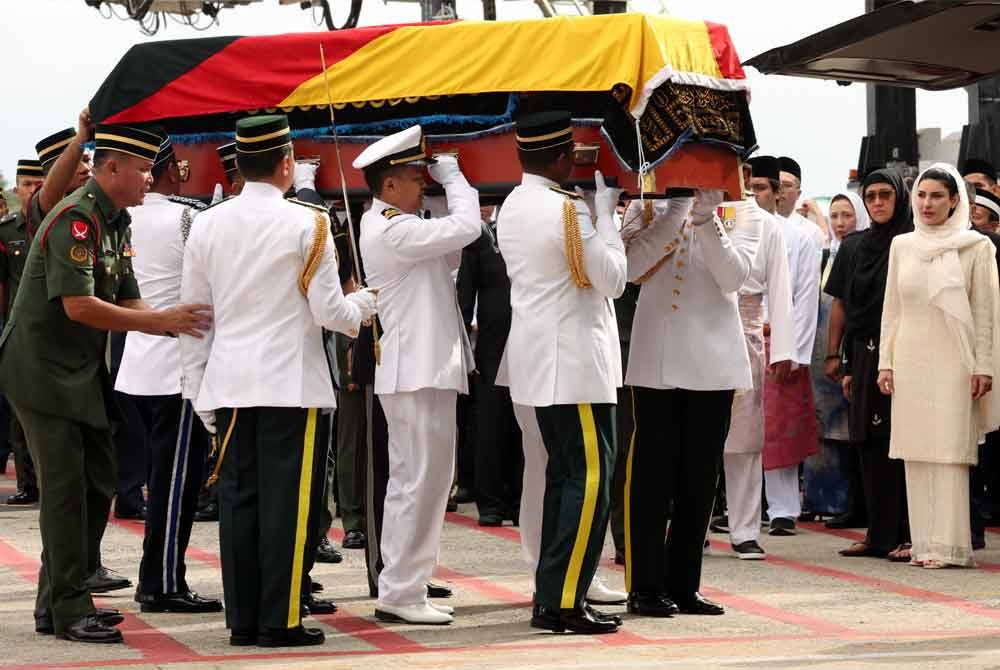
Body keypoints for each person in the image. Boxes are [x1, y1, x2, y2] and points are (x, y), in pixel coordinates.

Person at [0, 122, 213, 643]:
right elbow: (80, 306)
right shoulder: (76, 218)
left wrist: (178, 326)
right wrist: (162, 323)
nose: (149, 178)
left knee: (98, 480)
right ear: (111, 168)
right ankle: (70, 607)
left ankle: (58, 599)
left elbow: (128, 299)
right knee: (68, 489)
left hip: (78, 373)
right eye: (142, 169)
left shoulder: (115, 221)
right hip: (41, 372)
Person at [181, 114, 377, 647]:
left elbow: (195, 317)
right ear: (287, 162)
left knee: (240, 501)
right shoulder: (307, 223)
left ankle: (243, 618)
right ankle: (280, 619)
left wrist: (195, 388)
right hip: (291, 383)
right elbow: (330, 311)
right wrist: (364, 303)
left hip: (230, 382)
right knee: (289, 505)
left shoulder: (206, 223)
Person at [497, 111, 626, 635]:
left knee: (565, 479)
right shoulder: (569, 211)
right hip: (573, 367)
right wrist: (609, 218)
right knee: (589, 479)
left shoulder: (511, 203)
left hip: (542, 363)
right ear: (562, 157)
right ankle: (563, 602)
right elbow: (612, 279)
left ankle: (554, 592)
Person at [356, 125, 480, 626]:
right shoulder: (391, 229)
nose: (421, 184)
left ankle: (409, 582)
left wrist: (449, 186)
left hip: (424, 369)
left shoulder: (398, 223)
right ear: (388, 185)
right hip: (415, 372)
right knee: (417, 481)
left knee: (427, 480)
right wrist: (455, 177)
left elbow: (452, 249)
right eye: (413, 176)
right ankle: (402, 589)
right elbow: (468, 228)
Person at [622, 191, 760, 616]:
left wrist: (706, 219)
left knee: (699, 479)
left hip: (714, 360)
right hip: (657, 357)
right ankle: (644, 585)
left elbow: (734, 276)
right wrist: (676, 209)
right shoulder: (646, 201)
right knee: (650, 477)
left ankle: (684, 583)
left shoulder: (742, 208)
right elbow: (629, 269)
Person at [114, 134, 222, 614]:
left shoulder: (122, 216)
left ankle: (158, 578)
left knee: (156, 481)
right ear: (171, 169)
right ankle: (161, 584)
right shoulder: (187, 217)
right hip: (177, 369)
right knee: (176, 484)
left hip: (135, 364)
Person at [877, 163, 1000, 568]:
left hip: (955, 359)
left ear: (954, 201)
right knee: (916, 450)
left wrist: (984, 364)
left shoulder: (976, 247)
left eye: (937, 197)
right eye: (922, 195)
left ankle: (950, 547)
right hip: (910, 355)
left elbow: (985, 312)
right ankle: (924, 544)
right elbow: (892, 310)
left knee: (949, 449)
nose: (927, 204)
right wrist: (887, 363)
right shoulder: (902, 246)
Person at [825, 168, 913, 561]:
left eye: (885, 195)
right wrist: (835, 356)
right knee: (867, 442)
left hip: (905, 352)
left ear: (898, 197)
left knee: (903, 440)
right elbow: (840, 303)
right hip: (863, 352)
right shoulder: (853, 246)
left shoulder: (912, 241)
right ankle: (878, 535)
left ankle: (908, 534)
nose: (877, 202)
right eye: (871, 196)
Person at [721, 156, 795, 559]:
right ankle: (691, 522)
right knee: (695, 435)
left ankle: (744, 528)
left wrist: (783, 349)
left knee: (745, 440)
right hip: (698, 332)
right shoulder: (700, 209)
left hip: (748, 330)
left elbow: (781, 290)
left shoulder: (768, 225)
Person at [764, 156, 821, 535]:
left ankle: (783, 509)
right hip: (738, 337)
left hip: (780, 340)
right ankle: (740, 508)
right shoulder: (731, 226)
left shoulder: (800, 236)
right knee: (740, 429)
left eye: (778, 187)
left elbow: (804, 298)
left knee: (781, 428)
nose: (765, 194)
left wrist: (795, 351)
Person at [457, 204, 523, 527]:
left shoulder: (528, 229)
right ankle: (492, 501)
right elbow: (465, 296)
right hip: (493, 346)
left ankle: (519, 500)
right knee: (491, 425)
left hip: (527, 340)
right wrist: (463, 352)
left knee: (523, 425)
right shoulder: (481, 237)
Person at [809, 192, 870, 527]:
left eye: (847, 215)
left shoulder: (861, 253)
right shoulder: (825, 255)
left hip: (848, 352)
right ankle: (821, 500)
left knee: (849, 429)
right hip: (821, 354)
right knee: (823, 427)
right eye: (834, 216)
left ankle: (849, 501)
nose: (841, 223)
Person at [0, 159, 44, 505]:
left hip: (55, 331)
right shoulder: (7, 231)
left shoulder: (60, 223)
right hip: (17, 333)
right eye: (27, 184)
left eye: (39, 183)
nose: (33, 191)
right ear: (17, 190)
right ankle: (28, 484)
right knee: (19, 413)